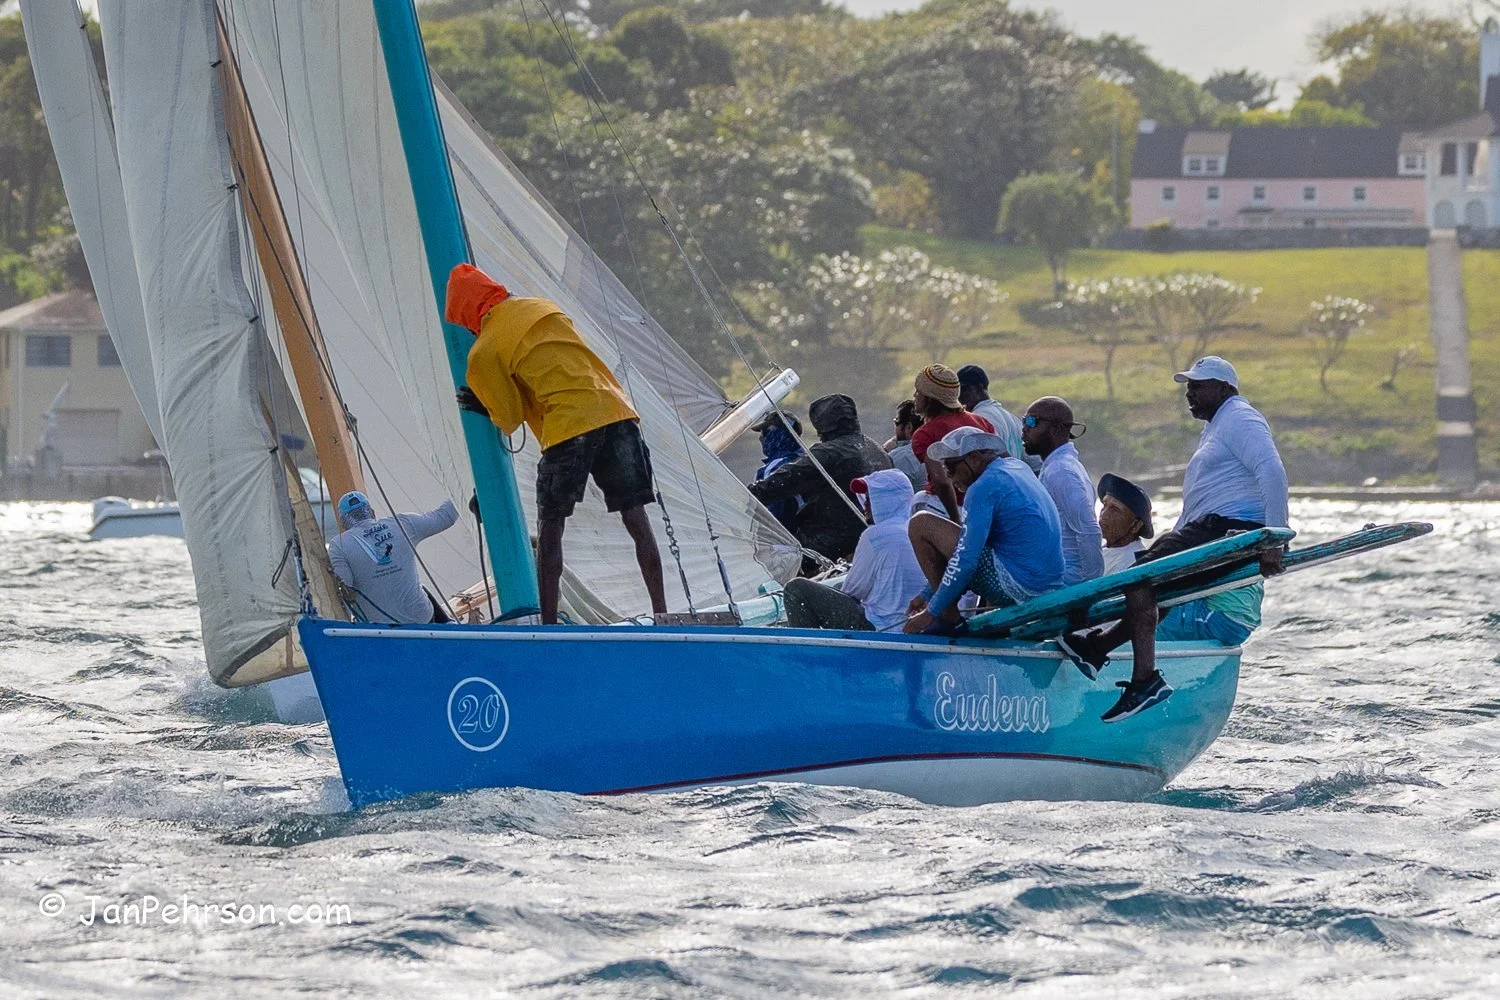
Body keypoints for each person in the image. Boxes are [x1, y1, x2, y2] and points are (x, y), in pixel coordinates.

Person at [1057, 357, 1290, 723]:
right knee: (1153, 584)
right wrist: (1172, 538)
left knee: (1137, 577)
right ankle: (1099, 647)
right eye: (1187, 386)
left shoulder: (1239, 417)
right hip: (1212, 527)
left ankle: (1143, 679)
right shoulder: (1217, 426)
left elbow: (1271, 469)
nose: (1189, 392)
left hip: (1230, 529)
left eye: (1197, 385)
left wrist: (1276, 537)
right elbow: (1203, 499)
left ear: (1224, 388)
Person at [447, 263, 666, 625]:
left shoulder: (483, 352)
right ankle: (663, 612)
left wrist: (483, 406)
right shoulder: (542, 307)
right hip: (616, 409)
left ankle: (548, 626)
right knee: (637, 519)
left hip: (569, 424)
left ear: (467, 315)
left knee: (551, 526)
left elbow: (508, 417)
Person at [904, 427, 1065, 633]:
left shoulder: (983, 487)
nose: (950, 477)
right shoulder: (1016, 466)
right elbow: (969, 544)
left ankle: (949, 618)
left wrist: (932, 611)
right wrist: (927, 594)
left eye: (951, 467)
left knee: (920, 523)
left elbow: (965, 560)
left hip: (1021, 587)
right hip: (1045, 581)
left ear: (974, 458)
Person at [748, 393, 892, 572]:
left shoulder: (828, 453)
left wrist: (746, 494)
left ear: (824, 426)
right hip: (875, 537)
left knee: (771, 562)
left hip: (830, 543)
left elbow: (785, 480)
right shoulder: (877, 449)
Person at [782, 468, 929, 631]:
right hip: (912, 624)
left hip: (881, 628)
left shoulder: (875, 535)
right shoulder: (919, 528)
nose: (865, 504)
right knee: (837, 587)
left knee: (796, 590)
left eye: (872, 498)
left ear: (888, 500)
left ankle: (806, 654)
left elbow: (852, 591)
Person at [327, 490, 460, 624]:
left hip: (381, 630)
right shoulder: (402, 523)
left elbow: (345, 587)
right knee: (421, 590)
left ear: (342, 523)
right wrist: (465, 488)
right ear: (371, 512)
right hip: (422, 618)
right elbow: (445, 517)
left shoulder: (338, 545)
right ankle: (448, 624)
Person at [1022, 396, 1103, 586]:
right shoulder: (1055, 467)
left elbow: (1089, 531)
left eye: (1032, 422)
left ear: (1057, 429)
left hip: (1068, 583)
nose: (1025, 428)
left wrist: (1090, 589)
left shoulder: (1061, 472)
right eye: (1023, 421)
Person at [907, 364, 994, 520]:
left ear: (929, 399)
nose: (914, 396)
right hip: (986, 506)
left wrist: (956, 520)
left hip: (953, 509)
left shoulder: (925, 433)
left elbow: (941, 481)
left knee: (919, 501)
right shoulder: (982, 422)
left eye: (918, 392)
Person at [956, 364, 1031, 469]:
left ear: (979, 388)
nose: (959, 397)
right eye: (957, 392)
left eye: (963, 389)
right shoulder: (1012, 419)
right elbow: (1031, 462)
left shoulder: (978, 419)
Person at [752, 411, 805, 533]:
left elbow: (770, 515)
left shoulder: (774, 468)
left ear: (777, 433)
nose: (761, 437)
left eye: (765, 431)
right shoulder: (808, 460)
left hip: (781, 542)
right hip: (807, 538)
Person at [1097, 473, 1153, 575]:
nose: (1104, 514)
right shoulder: (1104, 549)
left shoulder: (1132, 563)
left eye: (1115, 510)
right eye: (1105, 505)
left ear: (1136, 526)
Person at [885, 399, 926, 491]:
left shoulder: (902, 456)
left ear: (908, 427)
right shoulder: (937, 448)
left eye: (896, 422)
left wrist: (883, 454)